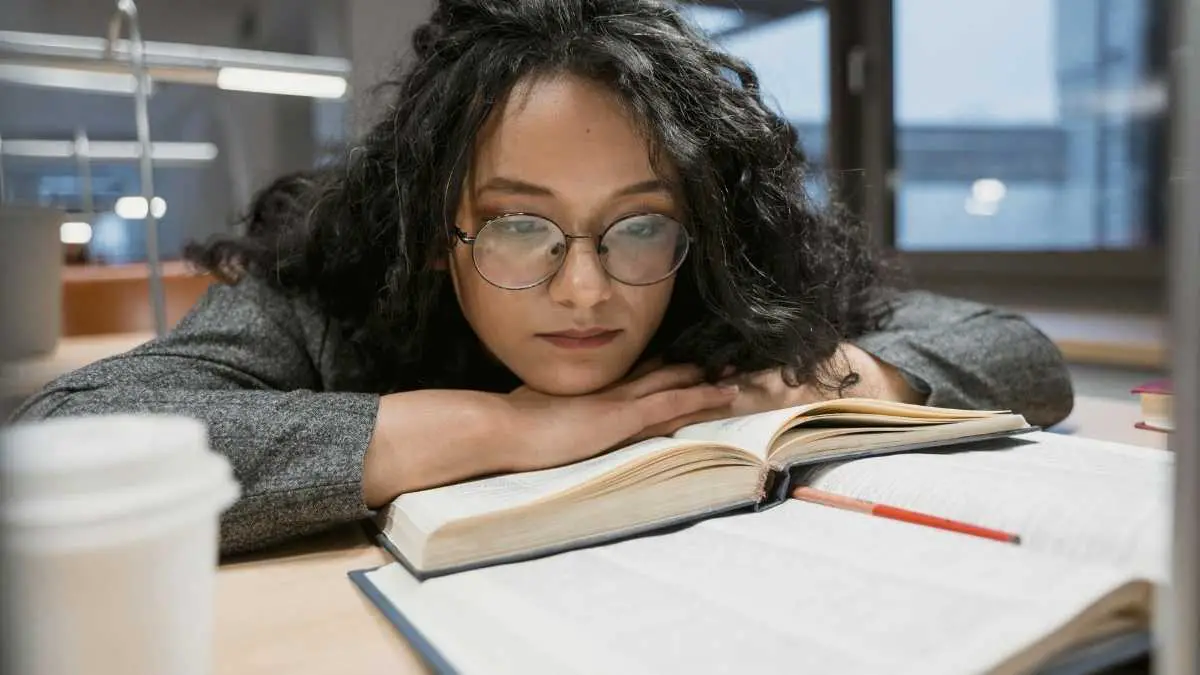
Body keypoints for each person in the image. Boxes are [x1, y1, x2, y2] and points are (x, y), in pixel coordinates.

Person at [11, 0, 1073, 555]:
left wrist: (818, 376)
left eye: (639, 229)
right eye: (522, 226)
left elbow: (1019, 352)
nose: (586, 293)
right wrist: (503, 429)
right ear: (436, 231)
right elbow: (58, 443)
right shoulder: (320, 297)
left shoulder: (722, 298)